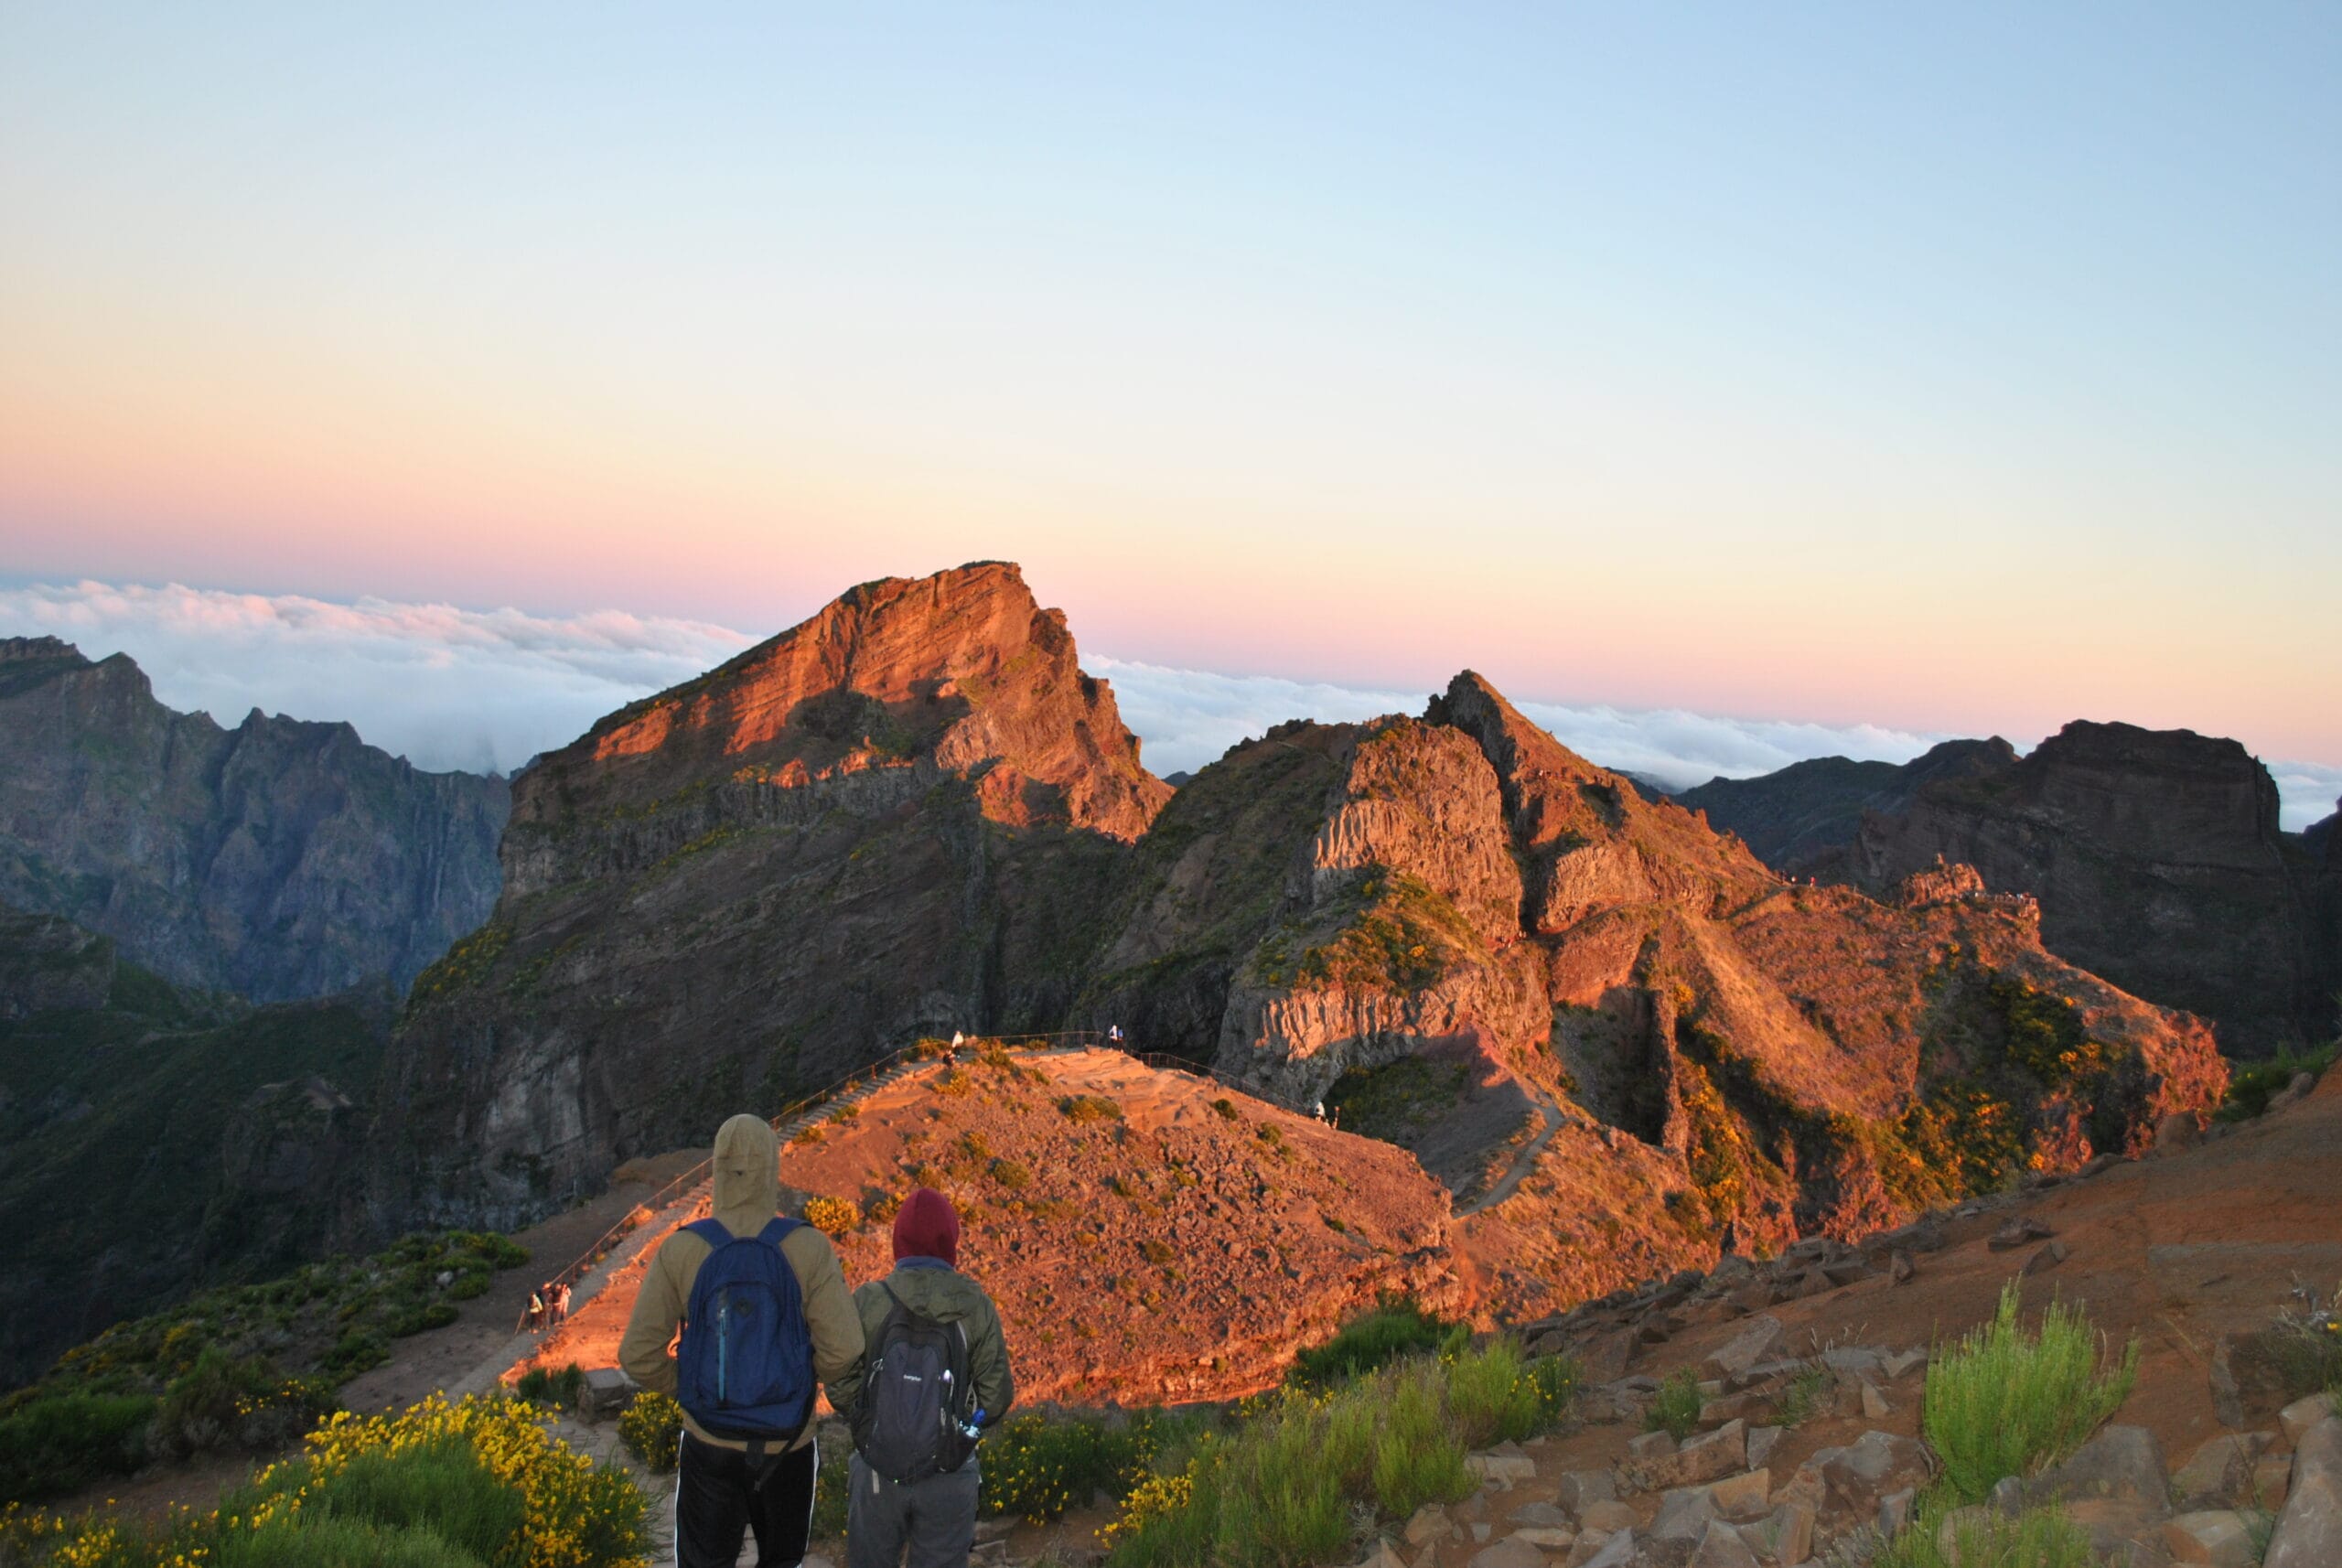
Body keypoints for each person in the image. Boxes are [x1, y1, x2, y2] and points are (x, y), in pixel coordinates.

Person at [621, 1114, 865, 1568]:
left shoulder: (681, 1249)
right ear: (772, 1169)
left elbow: (636, 1355)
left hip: (709, 1441)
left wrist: (687, 1385)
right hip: (788, 1445)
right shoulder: (808, 1248)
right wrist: (801, 1386)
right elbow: (846, 1348)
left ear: (716, 1170)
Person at [845, 1188, 1014, 1568]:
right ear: (950, 1240)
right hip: (949, 1475)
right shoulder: (975, 1306)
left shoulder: (870, 1300)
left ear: (898, 1239)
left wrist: (865, 1422)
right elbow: (996, 1398)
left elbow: (841, 1378)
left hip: (875, 1470)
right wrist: (965, 1432)